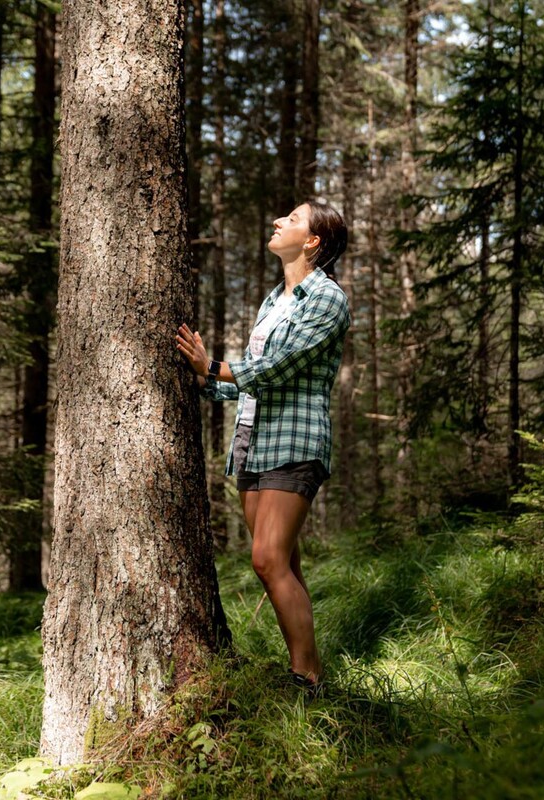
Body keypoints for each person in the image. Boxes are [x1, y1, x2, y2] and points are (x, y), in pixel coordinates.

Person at [175, 200, 350, 688]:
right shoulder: (275, 300)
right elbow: (255, 381)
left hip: (295, 441)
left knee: (267, 559)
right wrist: (206, 381)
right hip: (253, 442)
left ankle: (306, 678)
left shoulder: (327, 298)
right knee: (282, 563)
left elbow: (279, 368)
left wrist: (213, 367)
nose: (277, 220)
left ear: (312, 241)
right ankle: (309, 671)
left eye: (292, 219)